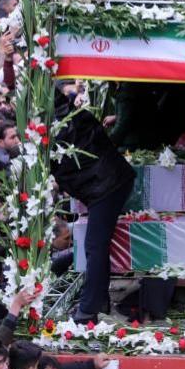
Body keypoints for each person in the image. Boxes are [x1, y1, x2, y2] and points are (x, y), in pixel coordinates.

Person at [50, 91, 135, 324]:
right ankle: (99, 300)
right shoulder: (74, 116)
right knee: (96, 244)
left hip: (107, 186)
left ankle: (89, 309)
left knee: (95, 245)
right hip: (108, 182)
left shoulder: (60, 131)